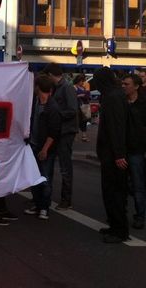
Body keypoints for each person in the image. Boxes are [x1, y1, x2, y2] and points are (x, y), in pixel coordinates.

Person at [93, 67, 129, 243]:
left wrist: (119, 154)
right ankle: (115, 226)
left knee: (114, 192)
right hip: (110, 152)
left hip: (112, 153)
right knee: (111, 191)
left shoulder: (112, 97)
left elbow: (117, 127)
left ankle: (119, 230)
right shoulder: (113, 94)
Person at [24, 74, 62, 220]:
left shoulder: (52, 107)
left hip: (45, 148)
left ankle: (44, 207)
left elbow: (54, 132)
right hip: (33, 144)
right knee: (34, 177)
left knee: (45, 178)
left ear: (38, 87)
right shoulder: (35, 103)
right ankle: (37, 204)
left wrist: (45, 149)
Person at [43, 63, 78, 210]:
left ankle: (66, 199)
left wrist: (55, 116)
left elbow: (72, 110)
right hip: (59, 131)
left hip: (66, 132)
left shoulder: (67, 88)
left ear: (51, 75)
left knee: (65, 166)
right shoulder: (58, 88)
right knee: (56, 165)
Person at [121, 74, 146, 229]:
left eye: (127, 84)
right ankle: (120, 214)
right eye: (123, 83)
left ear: (136, 86)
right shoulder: (121, 102)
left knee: (138, 185)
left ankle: (140, 216)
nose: (124, 86)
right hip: (122, 149)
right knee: (123, 185)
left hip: (137, 149)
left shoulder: (143, 103)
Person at [74, 74, 91, 142]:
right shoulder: (74, 87)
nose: (82, 83)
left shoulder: (83, 88)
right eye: (81, 81)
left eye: (83, 81)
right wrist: (80, 95)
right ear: (78, 81)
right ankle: (74, 136)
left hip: (84, 106)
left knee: (84, 121)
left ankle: (84, 136)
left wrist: (85, 95)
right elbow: (73, 96)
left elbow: (88, 95)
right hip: (78, 106)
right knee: (77, 121)